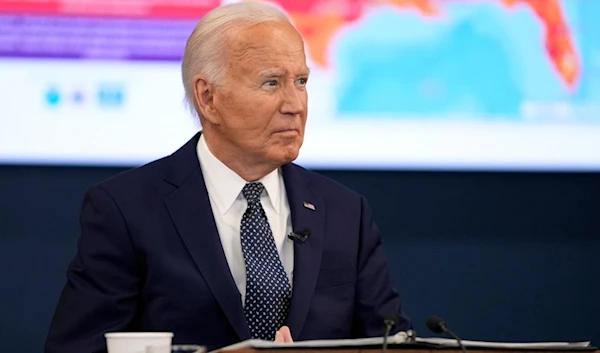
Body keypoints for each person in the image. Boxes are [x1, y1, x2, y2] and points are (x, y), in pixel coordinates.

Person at [44, 2, 411, 353]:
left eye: (300, 81)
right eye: (271, 83)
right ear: (208, 98)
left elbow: (391, 343)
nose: (295, 105)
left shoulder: (346, 213)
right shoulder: (126, 210)